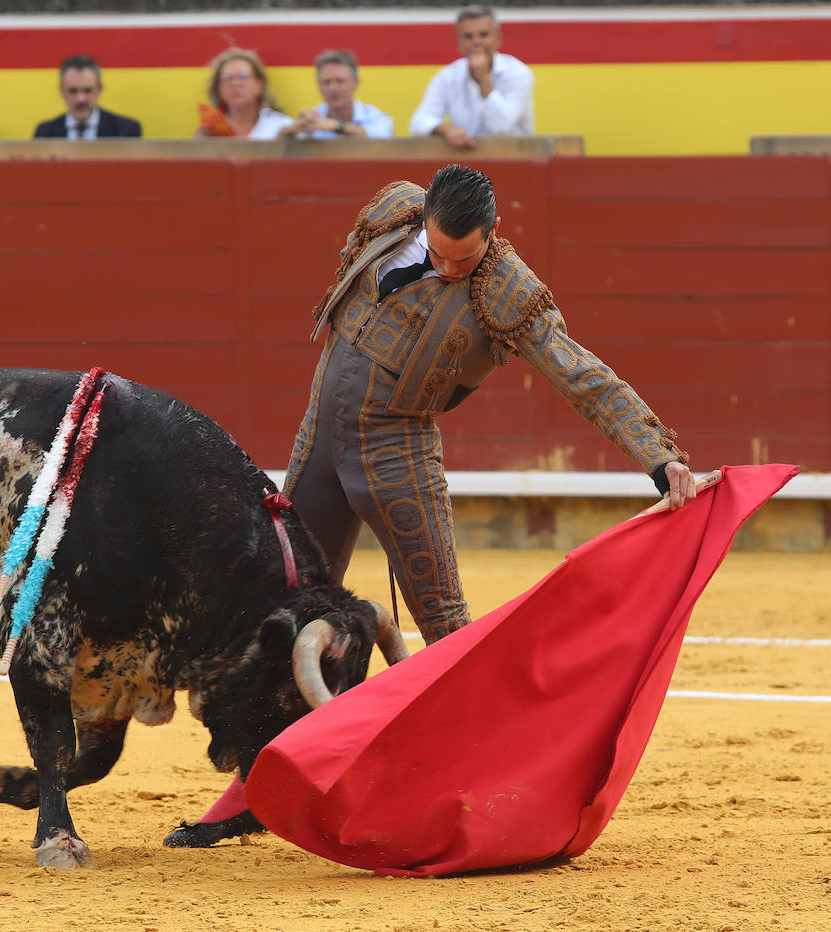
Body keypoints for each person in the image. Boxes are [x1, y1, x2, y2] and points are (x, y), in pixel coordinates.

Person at [164, 164, 695, 848]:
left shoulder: (507, 287)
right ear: (423, 222)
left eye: (463, 258)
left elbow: (576, 371)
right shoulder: (391, 211)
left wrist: (658, 453)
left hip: (397, 452)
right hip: (320, 440)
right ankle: (255, 786)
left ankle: (489, 786)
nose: (447, 269)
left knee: (445, 626)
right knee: (281, 610)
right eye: (438, 252)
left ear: (492, 237)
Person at [408, 5, 534, 148]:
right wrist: (446, 129)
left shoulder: (518, 73)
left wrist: (483, 78)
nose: (476, 42)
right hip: (466, 159)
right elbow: (418, 122)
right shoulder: (448, 76)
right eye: (468, 37)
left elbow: (501, 126)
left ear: (498, 39)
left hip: (513, 158)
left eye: (484, 35)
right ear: (459, 44)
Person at [285, 50, 394, 139]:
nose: (333, 88)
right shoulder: (313, 119)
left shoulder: (375, 117)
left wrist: (338, 125)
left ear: (356, 83)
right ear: (319, 86)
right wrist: (293, 129)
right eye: (326, 82)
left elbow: (381, 137)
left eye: (340, 81)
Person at [33, 55, 142, 139]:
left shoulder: (125, 130)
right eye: (73, 91)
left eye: (88, 90)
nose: (81, 99)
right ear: (61, 91)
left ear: (99, 89)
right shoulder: (45, 133)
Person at [195, 47, 294, 140]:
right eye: (228, 79)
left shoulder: (281, 125)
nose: (235, 83)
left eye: (243, 77)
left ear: (259, 85)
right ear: (218, 88)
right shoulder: (210, 132)